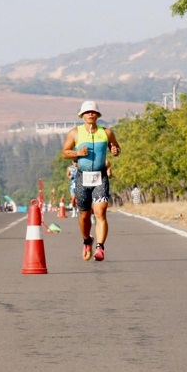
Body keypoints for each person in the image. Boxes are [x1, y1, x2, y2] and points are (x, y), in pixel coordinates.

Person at [62, 100, 121, 262]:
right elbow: (65, 153)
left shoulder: (107, 132)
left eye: (93, 112)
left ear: (97, 115)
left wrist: (115, 150)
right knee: (84, 215)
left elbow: (115, 148)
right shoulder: (75, 133)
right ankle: (87, 240)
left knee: (100, 212)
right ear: (82, 115)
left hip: (100, 176)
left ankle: (100, 247)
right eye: (87, 112)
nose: (90, 114)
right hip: (82, 177)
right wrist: (78, 153)